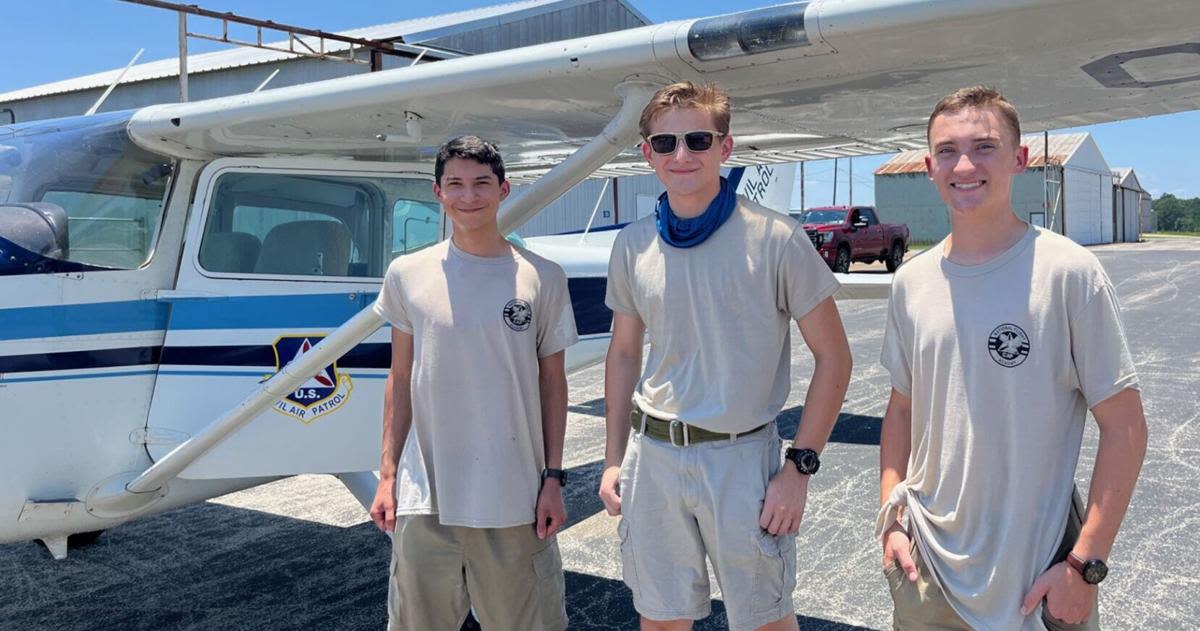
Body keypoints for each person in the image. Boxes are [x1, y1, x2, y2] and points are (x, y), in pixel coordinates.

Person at [877, 86, 1148, 630]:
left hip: (1040, 575)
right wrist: (891, 519)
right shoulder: (911, 282)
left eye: (985, 147)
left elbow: (1126, 428)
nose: (965, 164)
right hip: (928, 572)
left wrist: (1084, 564)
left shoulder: (1068, 273)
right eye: (948, 151)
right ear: (929, 167)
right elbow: (902, 410)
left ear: (1019, 159)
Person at [598, 81, 853, 631]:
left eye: (697, 139)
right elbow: (622, 354)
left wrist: (799, 469)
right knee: (661, 618)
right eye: (665, 144)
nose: (682, 155)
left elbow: (835, 359)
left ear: (725, 147)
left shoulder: (776, 238)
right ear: (647, 155)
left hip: (742, 461)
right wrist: (615, 458)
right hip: (655, 456)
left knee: (765, 619)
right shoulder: (632, 244)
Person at [369, 135, 578, 631]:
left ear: (504, 189)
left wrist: (553, 478)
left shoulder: (542, 277)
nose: (469, 196)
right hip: (427, 500)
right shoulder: (406, 274)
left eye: (482, 183)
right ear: (438, 192)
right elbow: (400, 377)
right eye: (456, 184)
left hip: (515, 499)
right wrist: (387, 474)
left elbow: (554, 382)